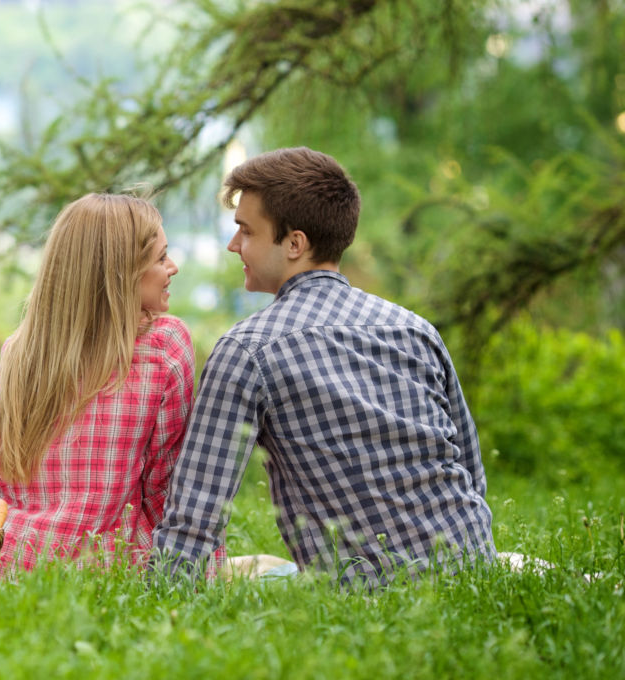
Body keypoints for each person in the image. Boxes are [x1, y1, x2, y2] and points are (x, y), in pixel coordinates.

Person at [151, 147, 496, 586]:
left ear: (295, 244)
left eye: (246, 231)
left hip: (363, 593)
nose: (233, 244)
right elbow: (469, 474)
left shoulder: (247, 349)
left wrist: (162, 603)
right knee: (265, 567)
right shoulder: (415, 330)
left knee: (254, 574)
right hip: (474, 570)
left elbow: (197, 512)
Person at [0, 192, 194, 572]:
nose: (172, 267)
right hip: (103, 563)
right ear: (120, 272)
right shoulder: (164, 346)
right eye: (160, 258)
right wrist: (195, 566)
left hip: (7, 555)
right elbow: (164, 487)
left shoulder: (21, 351)